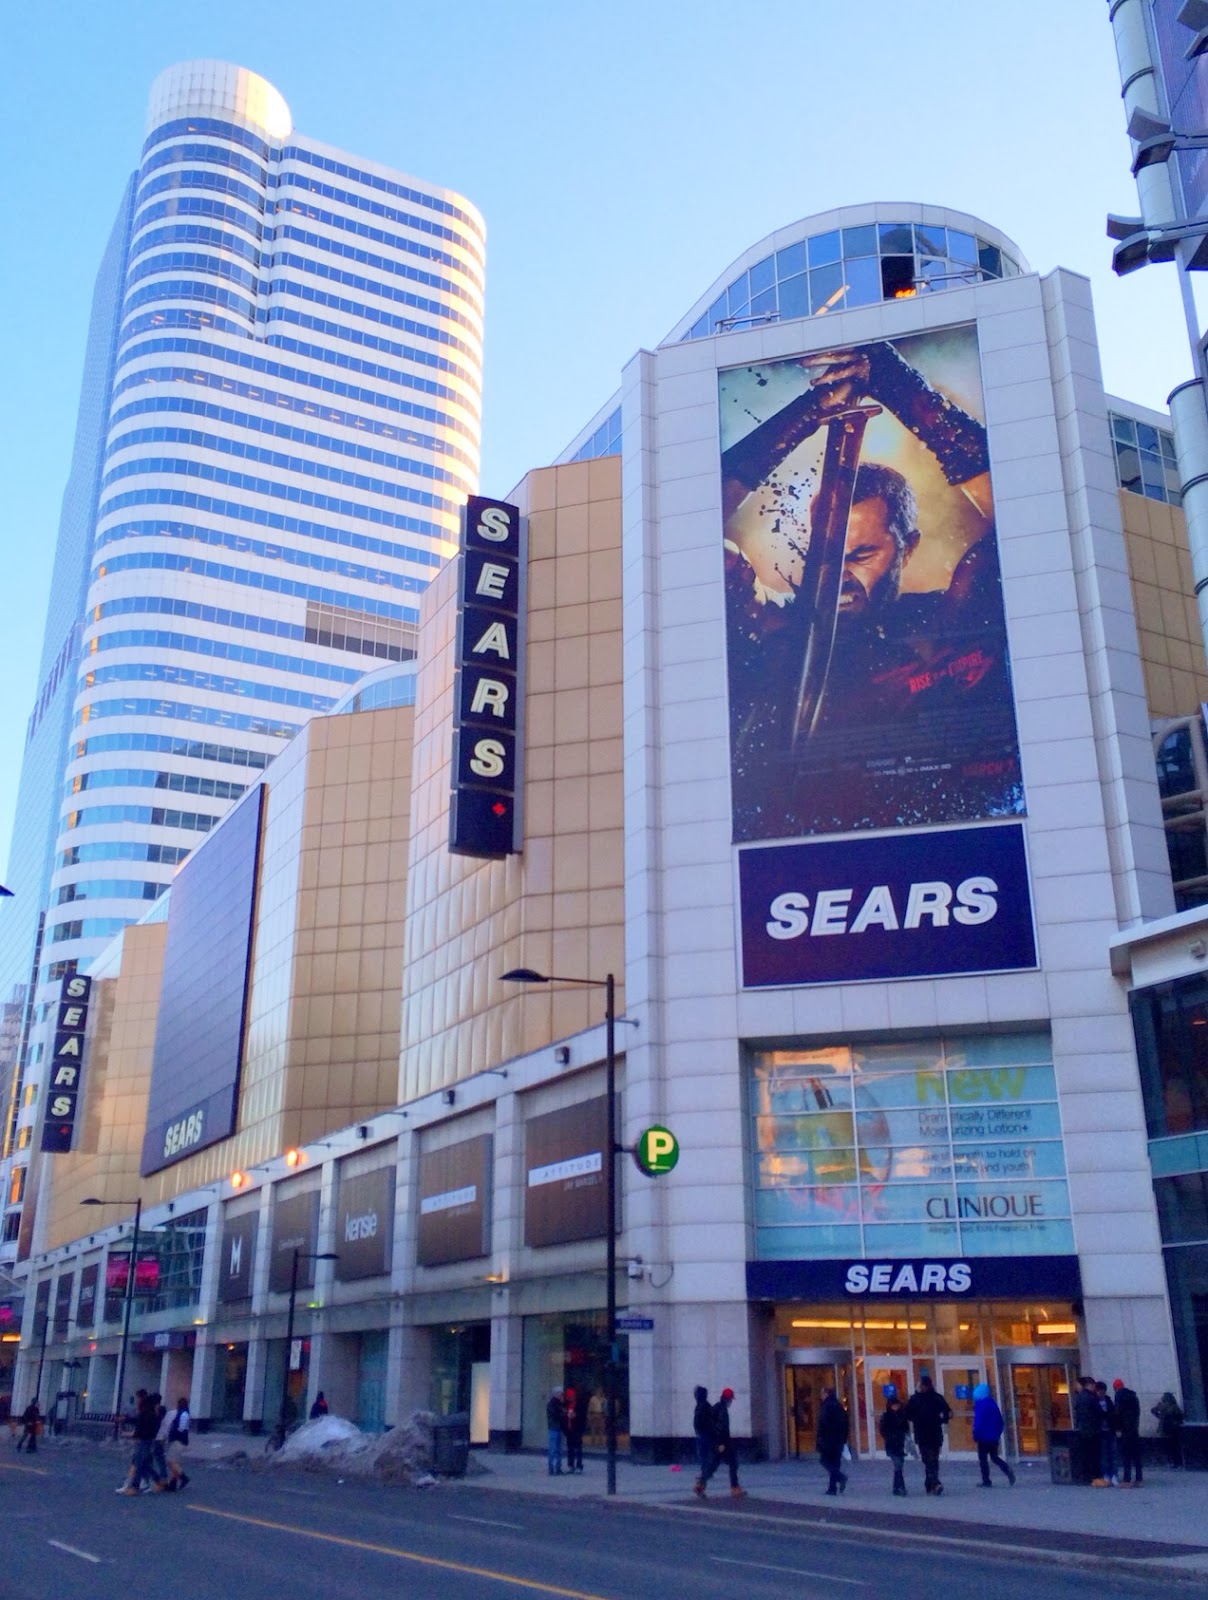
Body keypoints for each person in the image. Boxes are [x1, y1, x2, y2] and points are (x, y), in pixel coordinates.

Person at [905, 1374, 951, 1496]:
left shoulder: (917, 1399)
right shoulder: (934, 1398)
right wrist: (942, 1419)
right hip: (930, 1433)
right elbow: (948, 1412)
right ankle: (932, 1483)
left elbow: (908, 1414)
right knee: (931, 1459)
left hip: (926, 1433)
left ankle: (933, 1483)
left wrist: (942, 1419)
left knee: (931, 1459)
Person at [118, 1392, 167, 1495]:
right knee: (144, 1463)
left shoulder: (147, 1413)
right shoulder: (155, 1413)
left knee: (139, 1463)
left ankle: (135, 1486)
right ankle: (157, 1481)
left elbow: (140, 1426)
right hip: (150, 1440)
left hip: (144, 1440)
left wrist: (133, 1434)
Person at [700, 1386, 745, 1497]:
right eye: (731, 1400)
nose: (731, 1402)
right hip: (723, 1443)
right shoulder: (722, 1411)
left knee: (713, 1465)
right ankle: (735, 1488)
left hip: (717, 1442)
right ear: (728, 1399)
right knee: (733, 1463)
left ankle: (700, 1483)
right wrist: (721, 1443)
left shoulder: (716, 1407)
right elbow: (722, 1428)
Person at [972, 1382, 1015, 1488]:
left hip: (983, 1437)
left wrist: (975, 1434)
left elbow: (978, 1422)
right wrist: (997, 1433)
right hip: (993, 1437)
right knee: (994, 1457)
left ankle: (986, 1480)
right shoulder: (992, 1404)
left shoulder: (980, 1406)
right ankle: (1006, 1469)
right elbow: (1000, 1421)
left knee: (983, 1459)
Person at [817, 1384, 849, 1496]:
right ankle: (832, 1487)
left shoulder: (827, 1406)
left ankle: (840, 1478)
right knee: (835, 1463)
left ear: (826, 1394)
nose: (821, 1396)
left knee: (825, 1460)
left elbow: (823, 1424)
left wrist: (820, 1439)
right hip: (838, 1439)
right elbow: (846, 1422)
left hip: (829, 1439)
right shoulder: (839, 1406)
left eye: (822, 1393)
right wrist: (844, 1438)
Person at [878, 1392, 910, 1496]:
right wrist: (889, 1437)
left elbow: (906, 1429)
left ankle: (896, 1487)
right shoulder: (886, 1417)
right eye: (894, 1405)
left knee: (899, 1466)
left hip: (900, 1444)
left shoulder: (902, 1415)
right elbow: (882, 1430)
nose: (896, 1407)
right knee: (898, 1465)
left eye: (897, 1405)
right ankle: (901, 1487)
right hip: (892, 1444)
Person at [1112, 1379, 1142, 1486]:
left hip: (1124, 1429)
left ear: (1115, 1387)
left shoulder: (1119, 1396)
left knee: (1126, 1455)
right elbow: (1138, 1412)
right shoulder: (1133, 1396)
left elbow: (1117, 1413)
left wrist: (1117, 1428)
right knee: (1136, 1455)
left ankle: (1127, 1479)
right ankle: (1139, 1478)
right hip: (1134, 1428)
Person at [1073, 1377, 1101, 1486]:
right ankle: (1093, 1477)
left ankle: (1085, 1477)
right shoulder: (1091, 1397)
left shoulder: (1080, 1397)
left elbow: (1077, 1413)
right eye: (1093, 1385)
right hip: (1092, 1430)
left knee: (1086, 1455)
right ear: (1090, 1385)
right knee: (1093, 1455)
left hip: (1083, 1430)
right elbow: (1098, 1412)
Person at [159, 1395, 191, 1491]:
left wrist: (174, 1433)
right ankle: (173, 1482)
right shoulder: (183, 1413)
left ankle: (183, 1477)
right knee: (174, 1461)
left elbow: (181, 1428)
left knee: (171, 1461)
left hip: (178, 1440)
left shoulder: (183, 1414)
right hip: (179, 1439)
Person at [692, 1385, 716, 1497]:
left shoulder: (701, 1407)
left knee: (705, 1462)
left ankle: (700, 1484)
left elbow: (699, 1423)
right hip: (705, 1437)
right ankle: (700, 1484)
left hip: (704, 1437)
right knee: (706, 1463)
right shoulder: (705, 1406)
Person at [1094, 1381, 1118, 1485]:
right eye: (1100, 1392)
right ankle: (1106, 1475)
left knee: (1113, 1454)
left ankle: (1114, 1475)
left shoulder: (1108, 1401)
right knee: (1104, 1455)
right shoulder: (1094, 1402)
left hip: (1110, 1431)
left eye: (1103, 1392)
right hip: (1101, 1432)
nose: (1102, 1394)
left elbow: (1113, 1414)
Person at [1152, 1392, 1185, 1468]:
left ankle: (1174, 1462)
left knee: (1171, 1446)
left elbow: (1154, 1411)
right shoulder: (1173, 1407)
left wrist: (1159, 1413)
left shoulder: (1168, 1407)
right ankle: (1176, 1463)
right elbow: (1180, 1417)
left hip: (1168, 1428)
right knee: (1173, 1446)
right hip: (1171, 1428)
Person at [564, 1386, 587, 1474]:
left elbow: (582, 1416)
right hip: (569, 1429)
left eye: (570, 1396)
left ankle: (579, 1465)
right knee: (570, 1448)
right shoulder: (566, 1404)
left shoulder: (579, 1404)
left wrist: (575, 1416)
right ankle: (571, 1465)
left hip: (577, 1428)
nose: (569, 1398)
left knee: (578, 1448)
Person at [546, 1387, 566, 1476]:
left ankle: (558, 1467)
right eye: (561, 1394)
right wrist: (563, 1413)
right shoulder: (552, 1404)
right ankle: (551, 1468)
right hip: (554, 1428)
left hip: (558, 1428)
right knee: (553, 1449)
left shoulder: (559, 1404)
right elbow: (555, 1415)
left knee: (558, 1449)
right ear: (556, 1394)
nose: (562, 1396)